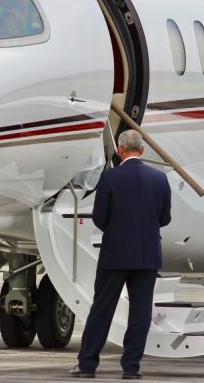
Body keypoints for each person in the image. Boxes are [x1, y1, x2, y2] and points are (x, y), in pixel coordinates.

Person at [70, 129, 172, 380]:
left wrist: (116, 232)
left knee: (102, 309)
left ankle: (87, 365)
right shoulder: (160, 178)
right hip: (147, 254)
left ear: (120, 150)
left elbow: (100, 217)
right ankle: (131, 367)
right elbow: (165, 218)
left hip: (115, 253)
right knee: (140, 312)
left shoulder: (110, 178)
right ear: (143, 150)